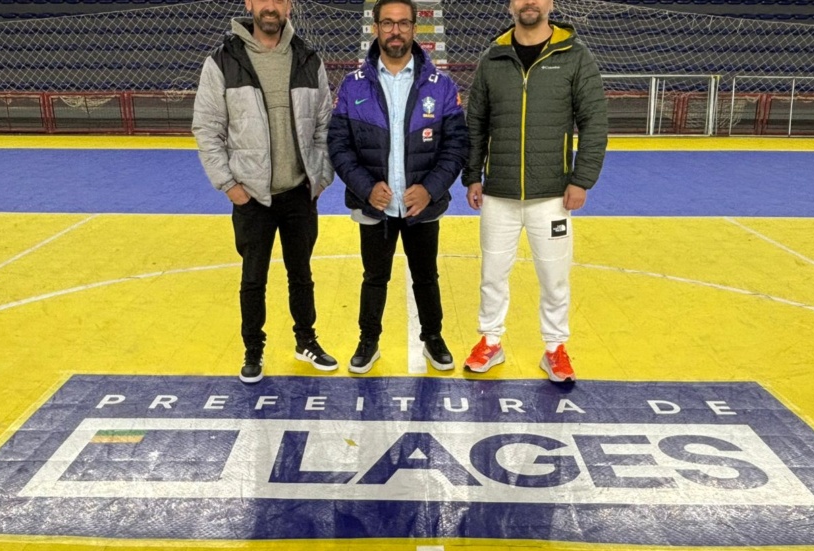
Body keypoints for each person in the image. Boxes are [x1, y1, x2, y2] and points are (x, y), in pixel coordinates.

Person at [461, 0, 608, 382]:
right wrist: (472, 175)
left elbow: (594, 122)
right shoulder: (493, 57)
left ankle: (555, 348)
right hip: (499, 193)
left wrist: (581, 179)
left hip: (554, 195)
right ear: (511, 5)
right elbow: (475, 122)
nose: (530, 2)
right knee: (492, 274)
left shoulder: (575, 56)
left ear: (550, 3)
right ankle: (490, 342)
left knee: (555, 276)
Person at [192, 0, 337, 384]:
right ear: (249, 4)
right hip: (251, 196)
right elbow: (206, 129)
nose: (270, 6)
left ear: (288, 5)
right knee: (253, 278)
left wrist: (319, 177)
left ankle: (306, 340)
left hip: (299, 193)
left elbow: (325, 123)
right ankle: (252, 350)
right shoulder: (223, 61)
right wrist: (229, 185)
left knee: (301, 274)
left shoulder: (308, 58)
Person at [327, 0, 468, 374]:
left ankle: (433, 338)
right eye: (387, 23)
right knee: (374, 277)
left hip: (422, 205)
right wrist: (365, 186)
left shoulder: (440, 86)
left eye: (403, 23)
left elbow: (456, 146)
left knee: (427, 276)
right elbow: (338, 145)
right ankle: (368, 340)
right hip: (375, 205)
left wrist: (431, 189)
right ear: (376, 28)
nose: (395, 30)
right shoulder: (353, 85)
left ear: (415, 29)